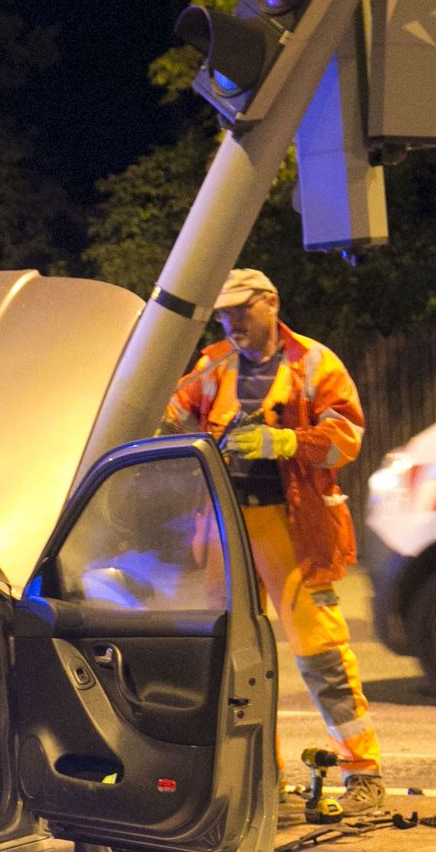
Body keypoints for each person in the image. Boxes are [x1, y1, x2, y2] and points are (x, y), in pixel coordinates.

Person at [159, 268, 385, 816]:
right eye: (224, 314)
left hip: (293, 529)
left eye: (241, 310)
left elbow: (346, 440)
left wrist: (287, 440)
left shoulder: (314, 363)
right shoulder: (212, 365)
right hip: (226, 528)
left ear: (271, 304)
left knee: (322, 655)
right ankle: (264, 784)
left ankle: (363, 775)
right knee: (237, 661)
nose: (232, 322)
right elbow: (166, 420)